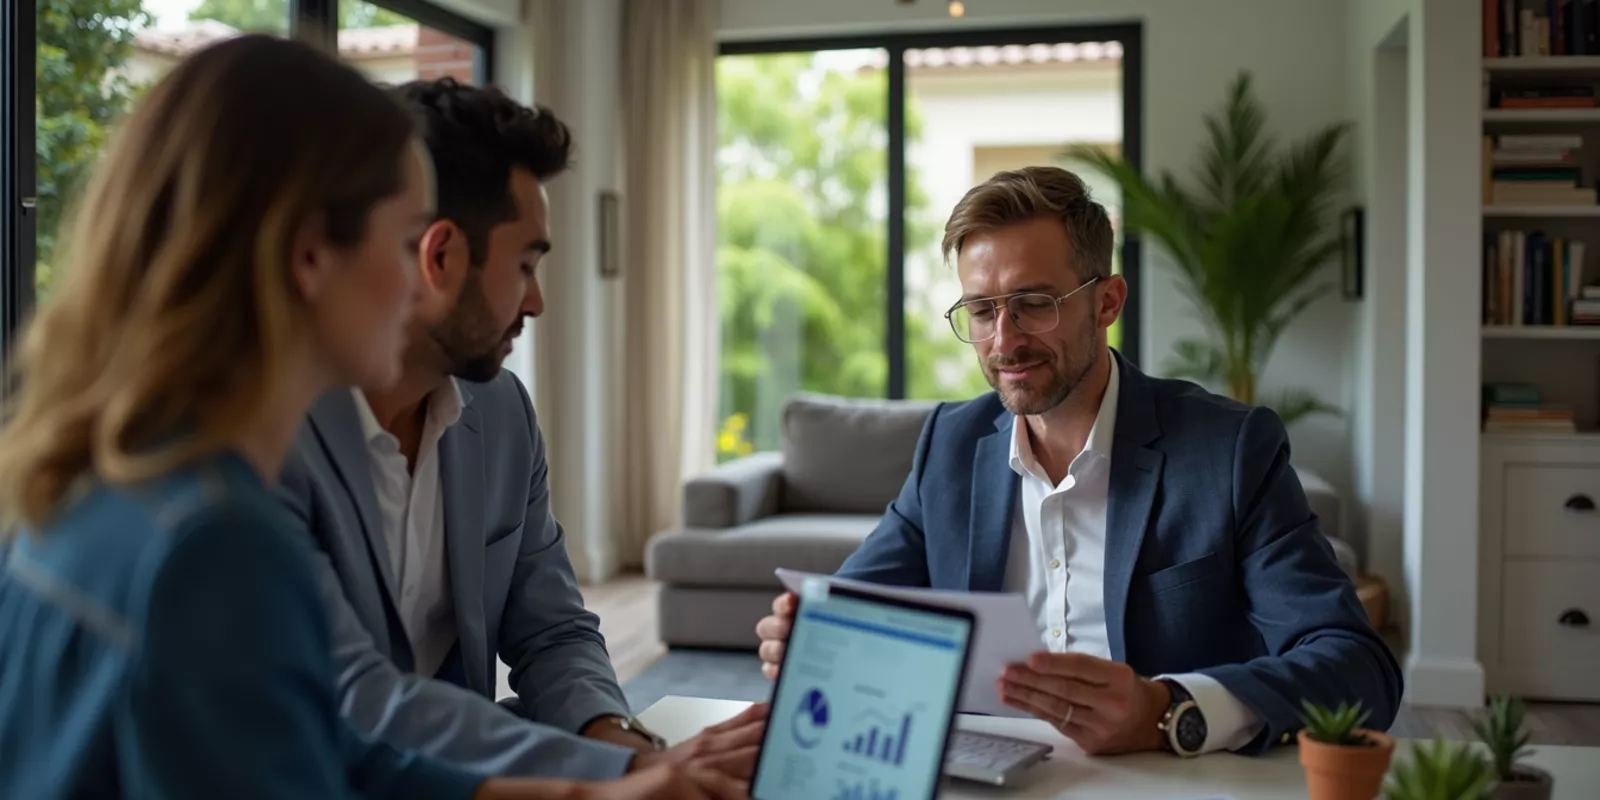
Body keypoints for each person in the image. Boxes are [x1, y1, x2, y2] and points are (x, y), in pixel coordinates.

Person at [0, 35, 747, 800]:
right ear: (309, 256)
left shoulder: (98, 475)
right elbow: (343, 712)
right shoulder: (217, 541)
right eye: (403, 242)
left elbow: (317, 739)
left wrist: (603, 788)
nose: (420, 282)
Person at [755, 166, 1403, 758]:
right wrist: (816, 633)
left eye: (1034, 303)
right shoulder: (950, 446)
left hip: (1163, 780)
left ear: (1107, 302)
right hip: (980, 776)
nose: (1004, 340)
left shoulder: (1229, 451)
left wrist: (1169, 709)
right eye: (982, 311)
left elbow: (1356, 667)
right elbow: (856, 607)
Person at [275, 77, 762, 782]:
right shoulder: (269, 436)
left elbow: (553, 628)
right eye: (527, 264)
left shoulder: (501, 412)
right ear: (438, 257)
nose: (535, 301)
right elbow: (354, 702)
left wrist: (622, 745)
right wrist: (620, 781)